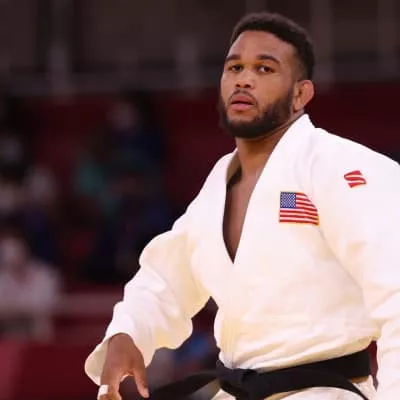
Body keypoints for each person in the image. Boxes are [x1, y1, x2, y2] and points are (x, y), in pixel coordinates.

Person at [84, 11, 400, 399]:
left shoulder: (340, 166)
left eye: (264, 68)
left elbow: (396, 291)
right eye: (234, 67)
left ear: (301, 94)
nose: (244, 79)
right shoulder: (219, 181)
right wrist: (129, 333)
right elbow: (167, 277)